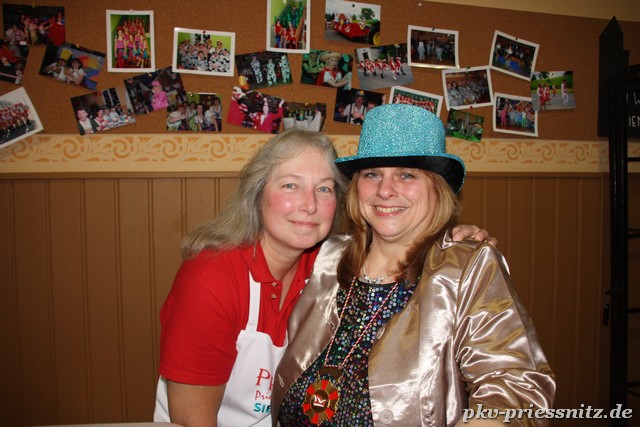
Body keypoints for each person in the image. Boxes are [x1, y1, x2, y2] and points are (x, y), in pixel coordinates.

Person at [154, 125, 495, 427]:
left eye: (324, 189)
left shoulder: (329, 262)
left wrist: (449, 241)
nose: (309, 205)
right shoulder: (210, 280)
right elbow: (193, 422)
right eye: (291, 185)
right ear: (257, 196)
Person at [272, 104, 555, 426]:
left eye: (406, 174)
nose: (385, 190)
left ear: (437, 188)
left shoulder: (467, 269)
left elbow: (515, 387)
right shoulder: (328, 256)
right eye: (372, 174)